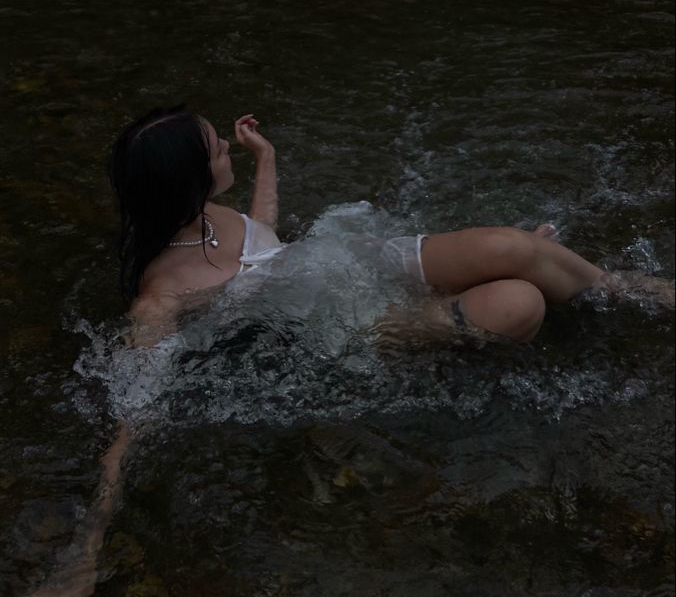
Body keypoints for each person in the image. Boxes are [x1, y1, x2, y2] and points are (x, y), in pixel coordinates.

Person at [30, 104, 673, 597]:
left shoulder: (206, 215)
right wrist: (88, 542)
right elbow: (132, 418)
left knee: (510, 248)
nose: (227, 143)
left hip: (351, 260)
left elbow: (267, 240)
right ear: (192, 180)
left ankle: (626, 289)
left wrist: (267, 161)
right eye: (217, 147)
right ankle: (524, 303)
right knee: (519, 303)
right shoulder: (161, 299)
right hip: (350, 327)